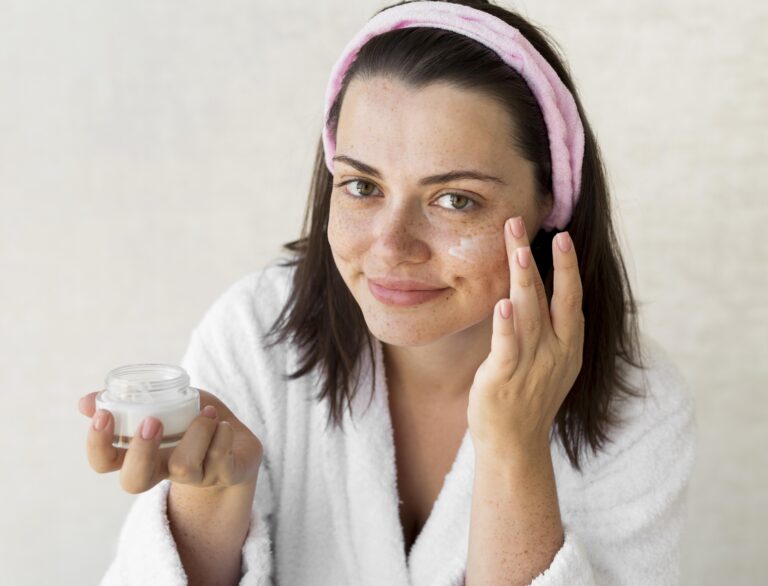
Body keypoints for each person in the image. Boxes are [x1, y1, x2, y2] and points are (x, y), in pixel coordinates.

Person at [78, 1, 697, 584]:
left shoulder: (636, 404)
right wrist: (212, 498)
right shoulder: (254, 334)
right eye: (362, 187)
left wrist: (516, 450)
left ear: (550, 205)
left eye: (456, 200)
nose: (391, 247)